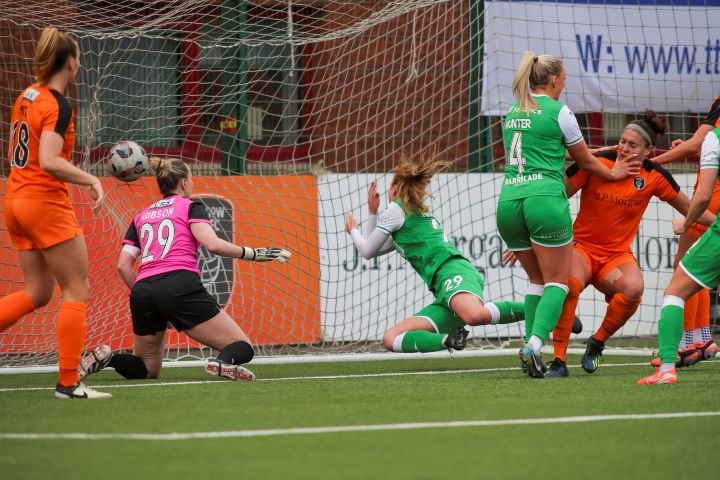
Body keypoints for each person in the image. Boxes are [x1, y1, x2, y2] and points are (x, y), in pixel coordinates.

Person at [78, 156, 290, 382]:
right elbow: (212, 244)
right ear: (184, 183)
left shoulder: (141, 216)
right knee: (242, 347)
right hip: (179, 284)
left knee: (148, 369)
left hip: (143, 291)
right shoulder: (191, 207)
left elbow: (123, 265)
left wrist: (153, 296)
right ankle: (221, 363)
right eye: (191, 178)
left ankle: (107, 358)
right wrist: (254, 253)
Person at [497, 51, 641, 378]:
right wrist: (616, 173)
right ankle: (534, 345)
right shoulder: (560, 111)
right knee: (558, 283)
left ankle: (529, 348)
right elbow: (587, 161)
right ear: (553, 80)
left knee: (537, 281)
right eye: (564, 77)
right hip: (544, 200)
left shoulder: (512, 110)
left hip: (508, 202)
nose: (565, 82)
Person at [541, 112, 715, 377]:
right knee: (570, 284)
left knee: (634, 289)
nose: (623, 148)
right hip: (582, 249)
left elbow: (692, 208)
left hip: (615, 258)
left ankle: (597, 343)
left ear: (648, 150)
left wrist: (717, 223)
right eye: (622, 141)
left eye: (632, 145)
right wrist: (532, 230)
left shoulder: (654, 175)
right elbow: (556, 198)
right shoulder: (597, 163)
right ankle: (558, 360)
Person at [1, 27, 109, 399]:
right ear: (71, 62)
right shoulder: (58, 103)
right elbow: (48, 160)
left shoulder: (26, 95)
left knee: (37, 291)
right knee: (76, 289)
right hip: (43, 201)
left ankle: (67, 381)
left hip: (14, 199)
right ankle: (67, 382)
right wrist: (90, 179)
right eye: (78, 57)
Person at [345, 152, 525, 355]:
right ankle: (449, 340)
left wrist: (352, 229)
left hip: (451, 272)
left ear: (395, 188)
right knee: (391, 338)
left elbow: (367, 250)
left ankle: (541, 308)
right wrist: (372, 212)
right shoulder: (407, 215)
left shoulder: (396, 209)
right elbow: (373, 249)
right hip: (443, 288)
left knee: (475, 316)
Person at [637, 126, 720, 384]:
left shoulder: (714, 137)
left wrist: (686, 222)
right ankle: (702, 338)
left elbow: (703, 194)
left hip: (713, 211)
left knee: (676, 290)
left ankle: (669, 366)